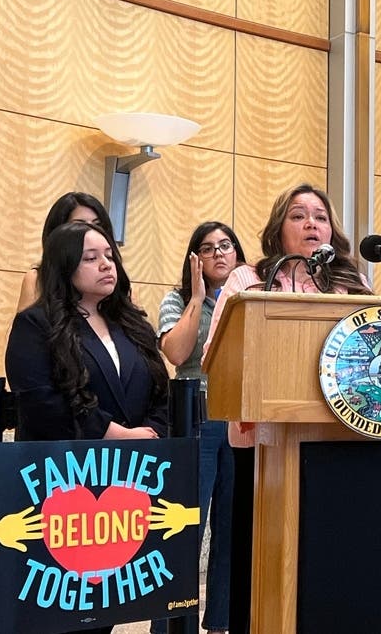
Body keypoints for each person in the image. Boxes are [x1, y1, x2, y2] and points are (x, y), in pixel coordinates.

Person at [202, 184, 371, 633]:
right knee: (259, 556)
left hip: (340, 439)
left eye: (320, 216)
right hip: (263, 443)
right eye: (298, 215)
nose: (311, 223)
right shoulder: (248, 279)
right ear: (279, 229)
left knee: (329, 555)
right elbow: (219, 355)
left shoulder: (352, 283)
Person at [5, 221, 168, 634]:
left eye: (109, 256)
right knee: (63, 605)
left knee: (106, 603)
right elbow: (40, 401)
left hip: (129, 484)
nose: (105, 265)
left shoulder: (131, 323)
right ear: (65, 266)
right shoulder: (36, 324)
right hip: (64, 486)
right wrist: (113, 433)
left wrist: (149, 432)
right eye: (91, 258)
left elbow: (160, 392)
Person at [154, 222, 247, 634]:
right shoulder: (176, 300)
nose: (218, 254)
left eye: (225, 246)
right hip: (197, 417)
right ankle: (173, 624)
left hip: (243, 419)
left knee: (233, 526)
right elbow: (176, 352)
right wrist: (196, 297)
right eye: (207, 249)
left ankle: (223, 620)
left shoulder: (250, 300)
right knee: (185, 525)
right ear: (195, 259)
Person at [17, 192, 115, 312]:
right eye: (80, 225)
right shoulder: (37, 280)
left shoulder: (120, 285)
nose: (91, 231)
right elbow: (22, 326)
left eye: (98, 225)